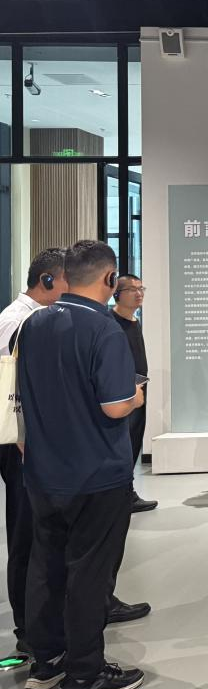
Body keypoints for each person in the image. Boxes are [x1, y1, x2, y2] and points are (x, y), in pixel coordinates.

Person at [17, 240, 148, 689]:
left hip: (43, 472)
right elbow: (114, 405)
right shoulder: (104, 329)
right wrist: (136, 396)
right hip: (96, 475)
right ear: (110, 279)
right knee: (90, 573)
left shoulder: (35, 324)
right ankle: (84, 675)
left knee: (46, 567)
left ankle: (46, 662)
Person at [0, 248, 67, 657]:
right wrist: (24, 437)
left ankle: (43, 622)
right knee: (24, 533)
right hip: (19, 442)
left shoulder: (32, 318)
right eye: (65, 282)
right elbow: (11, 390)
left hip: (32, 440)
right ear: (46, 280)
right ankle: (28, 628)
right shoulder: (17, 320)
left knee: (40, 531)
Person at [111, 274, 157, 513]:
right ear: (117, 294)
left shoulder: (134, 321)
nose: (139, 294)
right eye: (132, 289)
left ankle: (126, 493)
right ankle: (120, 496)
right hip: (123, 394)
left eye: (141, 289)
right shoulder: (111, 323)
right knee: (124, 442)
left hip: (139, 391)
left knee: (134, 439)